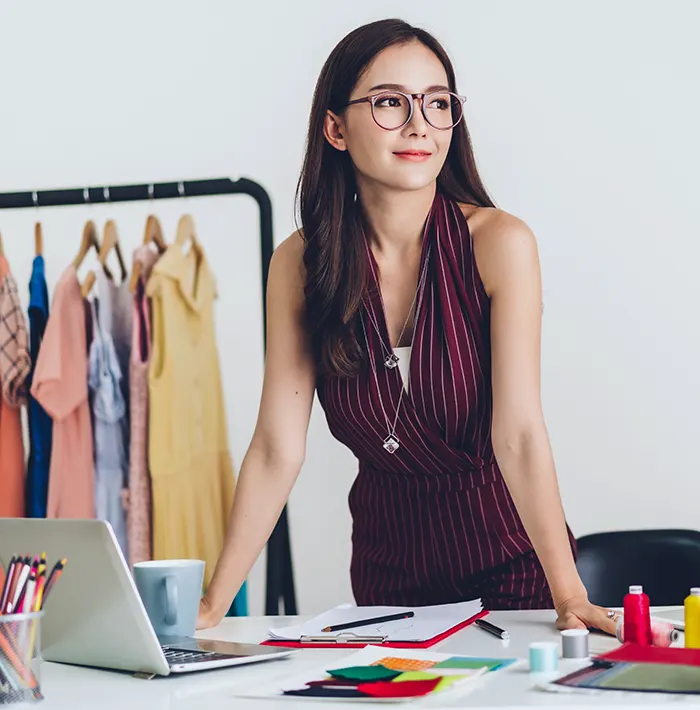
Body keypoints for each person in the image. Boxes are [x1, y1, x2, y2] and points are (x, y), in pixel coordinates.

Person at [197, 18, 617, 635]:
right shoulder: (299, 263)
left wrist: (569, 593)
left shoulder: (499, 244)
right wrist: (212, 607)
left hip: (512, 565)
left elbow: (520, 434)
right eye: (390, 102)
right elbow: (275, 449)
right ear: (335, 128)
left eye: (437, 102)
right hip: (386, 577)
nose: (419, 123)